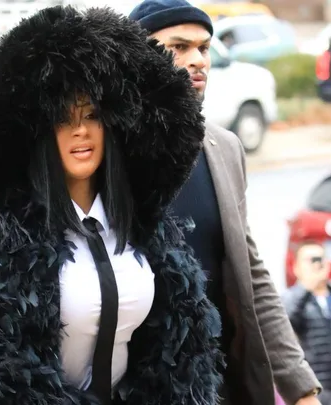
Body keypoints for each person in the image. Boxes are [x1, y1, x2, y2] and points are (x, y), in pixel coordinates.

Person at [0, 6, 224, 405]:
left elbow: (177, 354)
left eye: (92, 114)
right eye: (63, 117)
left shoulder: (149, 232)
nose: (80, 130)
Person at [128, 1, 322, 404]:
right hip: (138, 386)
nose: (197, 60)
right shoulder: (110, 156)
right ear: (136, 56)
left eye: (203, 47)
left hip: (222, 384)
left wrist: (300, 387)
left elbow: (251, 275)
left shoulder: (225, 148)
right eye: (178, 47)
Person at [283, 241, 331, 404]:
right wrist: (307, 286)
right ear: (296, 267)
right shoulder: (291, 298)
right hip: (314, 390)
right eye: (310, 260)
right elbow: (282, 324)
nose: (316, 264)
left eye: (320, 259)